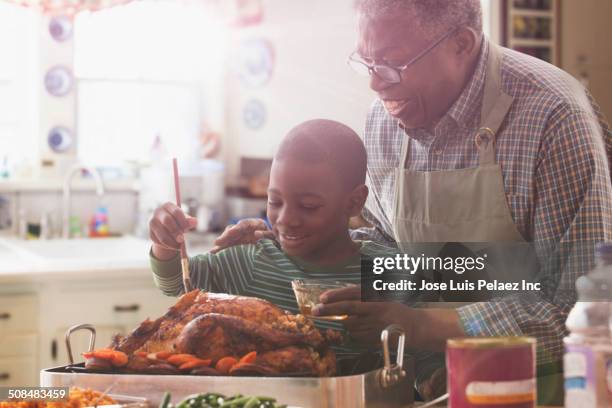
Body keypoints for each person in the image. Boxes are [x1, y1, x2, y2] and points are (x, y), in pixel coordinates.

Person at [212, 0, 612, 402]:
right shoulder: (384, 121)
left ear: (461, 44)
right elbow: (389, 250)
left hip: (542, 389)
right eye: (366, 62)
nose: (374, 83)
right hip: (431, 385)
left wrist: (423, 325)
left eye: (391, 63)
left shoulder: (552, 115)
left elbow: (584, 309)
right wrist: (286, 239)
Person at [148, 118, 439, 378]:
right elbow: (175, 281)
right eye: (274, 202)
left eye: (309, 206)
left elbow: (426, 367)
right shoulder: (252, 260)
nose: (285, 219)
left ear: (353, 202)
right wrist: (164, 242)